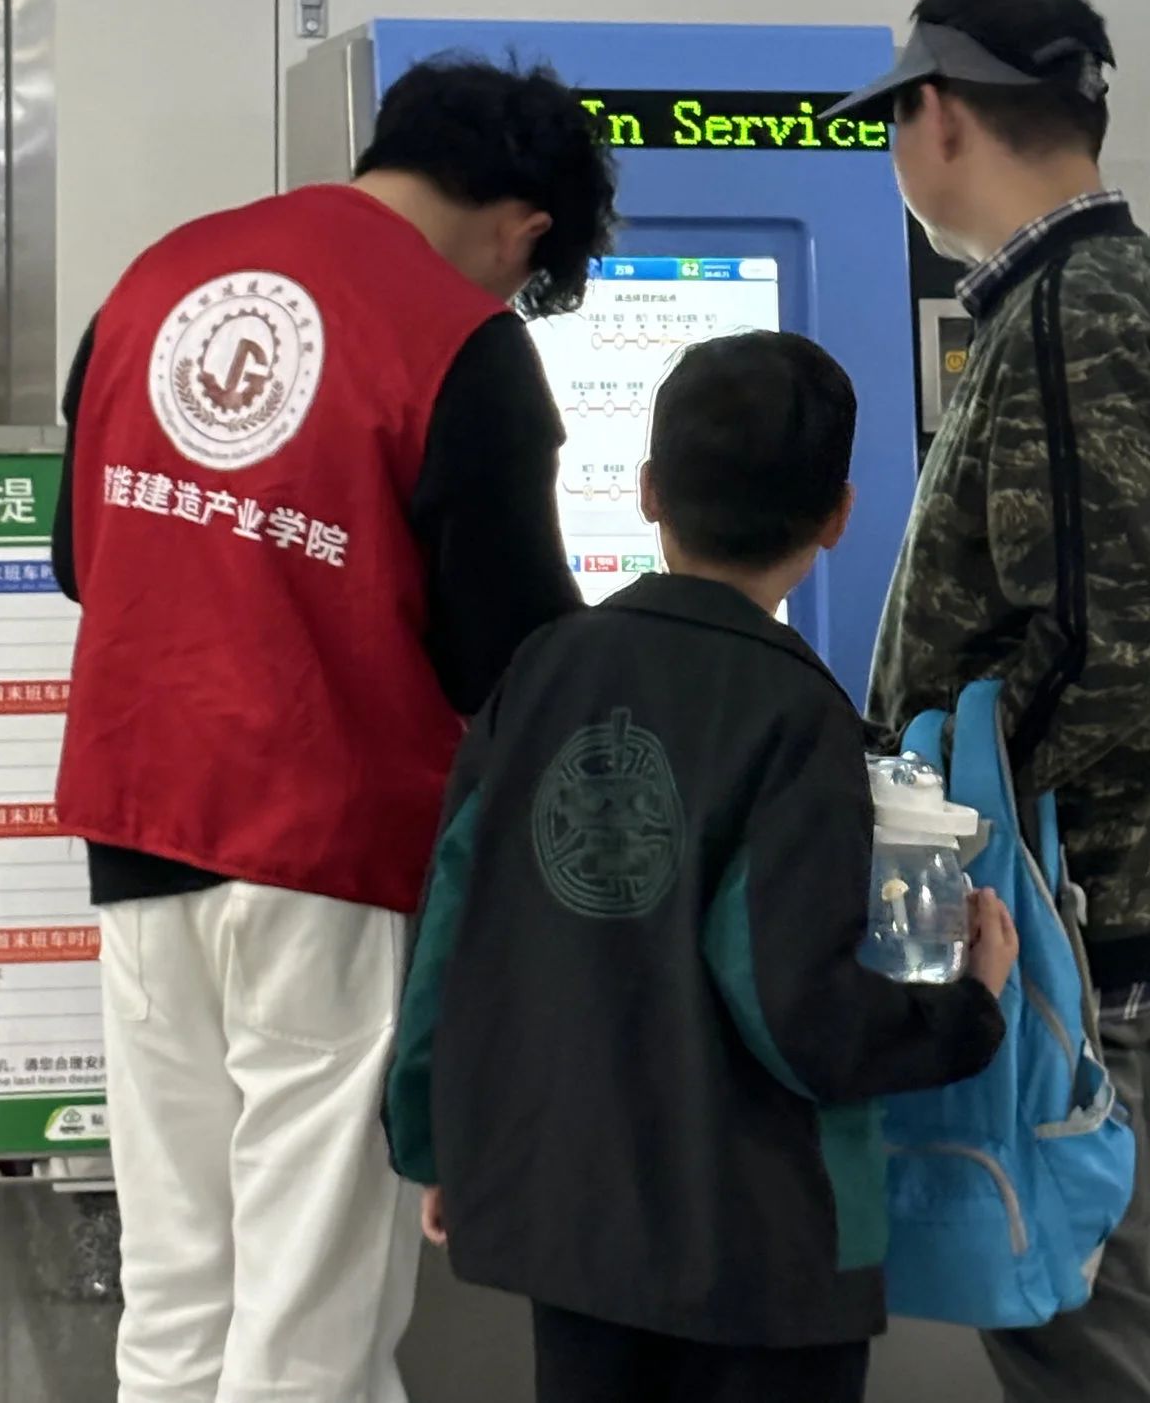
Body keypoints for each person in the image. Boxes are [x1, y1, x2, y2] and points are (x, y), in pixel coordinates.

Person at [52, 55, 615, 1403]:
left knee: (178, 1283)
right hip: (328, 850)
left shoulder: (157, 279)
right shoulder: (459, 339)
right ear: (525, 229)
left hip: (139, 823)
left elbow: (81, 557)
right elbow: (511, 654)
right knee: (311, 1311)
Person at [385, 330, 1018, 1403]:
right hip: (755, 1256)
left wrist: (438, 1135)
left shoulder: (542, 670)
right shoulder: (798, 713)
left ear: (646, 492)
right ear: (837, 517)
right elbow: (795, 1005)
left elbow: (455, 921)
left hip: (569, 1221)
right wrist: (968, 1007)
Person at [826, 0, 1150, 1403]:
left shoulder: (1073, 315)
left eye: (895, 119)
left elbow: (1113, 636)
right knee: (1084, 1260)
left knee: (1066, 1294)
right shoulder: (1148, 294)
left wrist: (956, 828)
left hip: (1065, 901)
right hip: (1121, 878)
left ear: (939, 112)